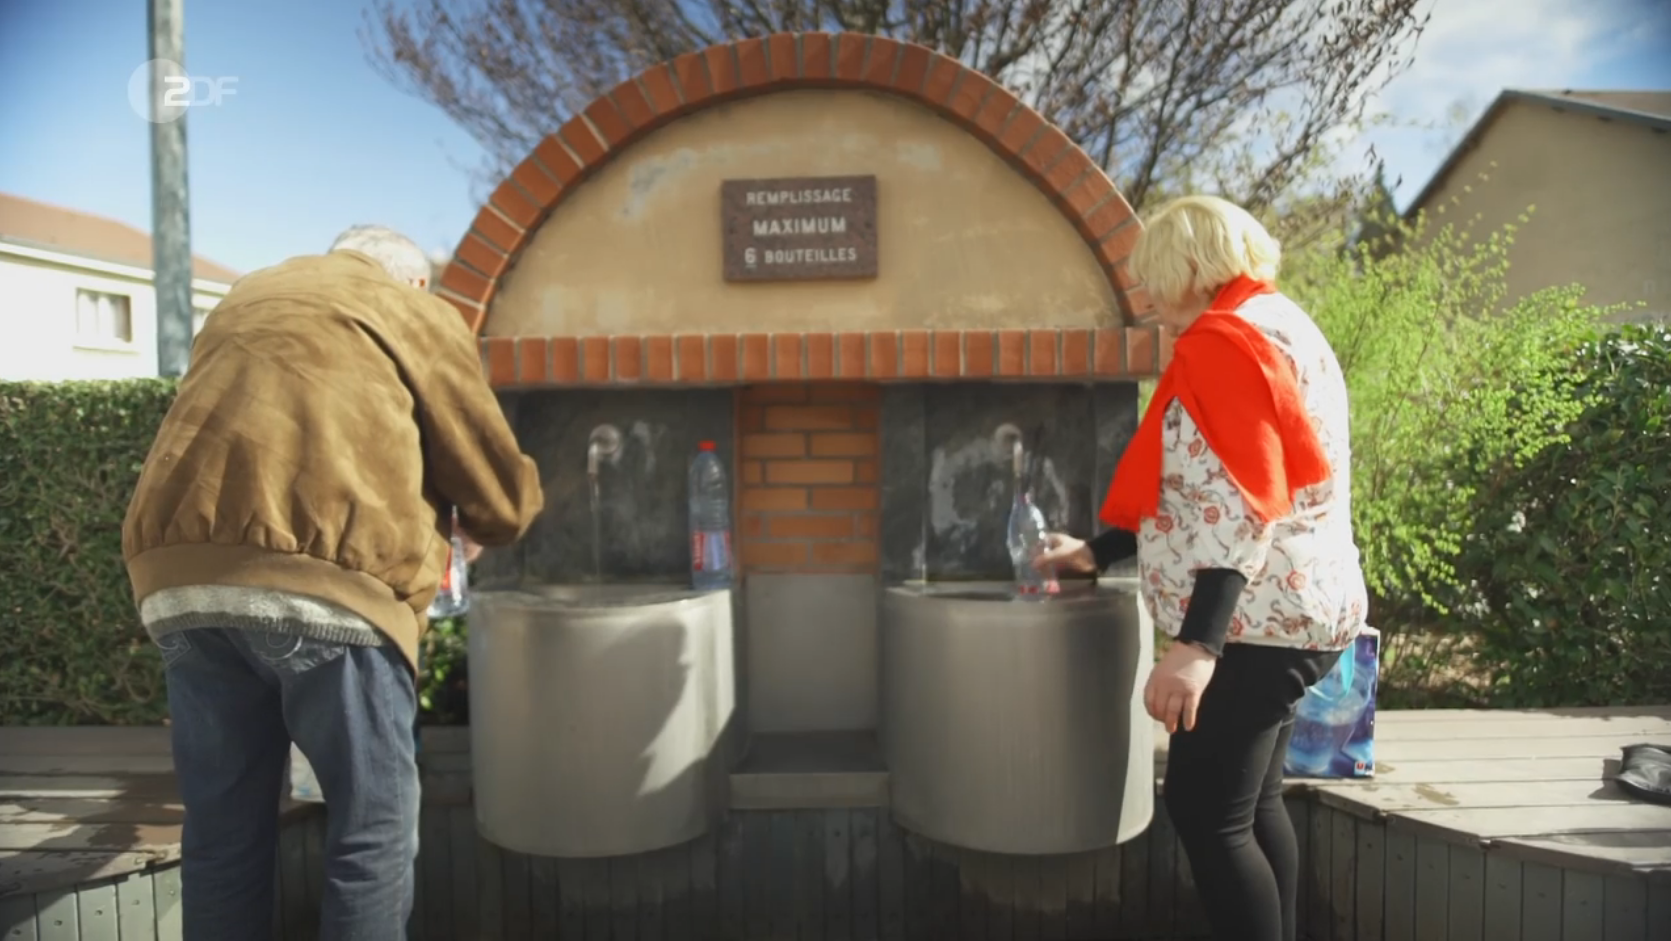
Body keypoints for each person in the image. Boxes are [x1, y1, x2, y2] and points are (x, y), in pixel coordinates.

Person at [122, 225, 544, 940]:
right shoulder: (410, 308)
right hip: (329, 588)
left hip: (179, 584)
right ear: (415, 281)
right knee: (372, 829)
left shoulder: (249, 295)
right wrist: (490, 521)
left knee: (222, 833)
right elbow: (494, 484)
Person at [1036, 195, 1368, 941]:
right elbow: (1199, 490)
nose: (1146, 296)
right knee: (1250, 806)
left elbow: (1241, 503)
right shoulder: (1279, 324)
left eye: (1153, 277)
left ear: (1190, 266)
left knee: (1205, 811)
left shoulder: (1224, 343)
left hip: (1255, 624)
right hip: (1300, 610)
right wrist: (1097, 552)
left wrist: (1196, 646)